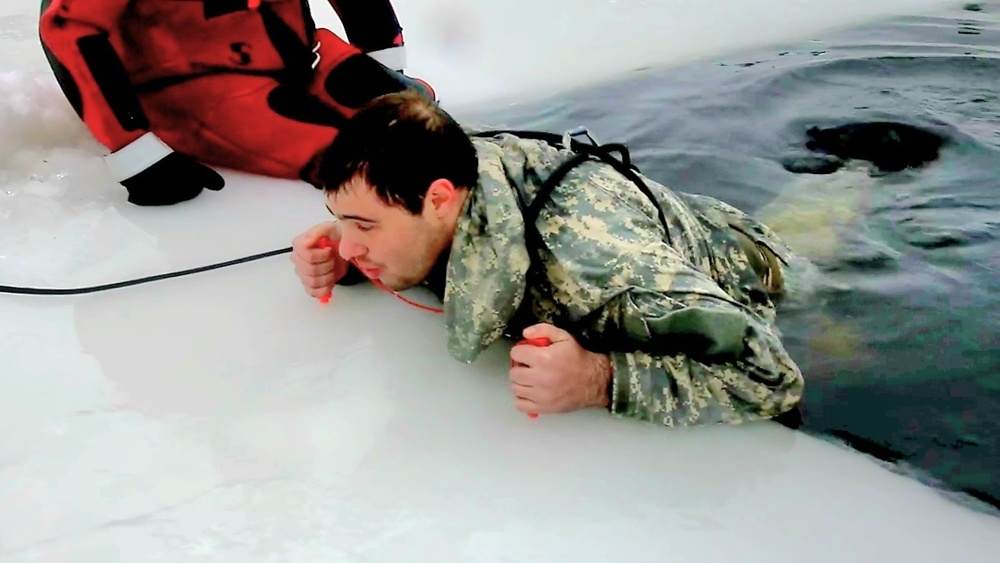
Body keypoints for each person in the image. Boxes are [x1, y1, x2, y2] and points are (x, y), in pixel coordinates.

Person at [290, 90, 805, 427]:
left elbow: (773, 379)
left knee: (833, 226)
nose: (347, 242)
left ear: (440, 199)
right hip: (670, 222)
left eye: (363, 226)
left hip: (755, 267)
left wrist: (599, 379)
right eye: (341, 219)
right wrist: (350, 258)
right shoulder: (443, 166)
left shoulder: (598, 268)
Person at [38, 0, 436, 207]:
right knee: (369, 164)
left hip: (305, 54)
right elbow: (69, 26)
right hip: (199, 89)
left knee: (421, 120)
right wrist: (136, 151)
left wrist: (381, 57)